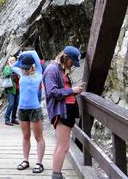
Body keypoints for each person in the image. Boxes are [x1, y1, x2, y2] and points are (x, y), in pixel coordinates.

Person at [43, 46, 83, 179]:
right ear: (66, 58)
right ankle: (56, 175)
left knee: (61, 145)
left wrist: (73, 90)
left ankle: (57, 173)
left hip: (66, 110)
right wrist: (72, 90)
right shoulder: (52, 70)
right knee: (64, 146)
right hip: (61, 112)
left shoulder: (60, 69)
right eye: (72, 62)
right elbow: (52, 92)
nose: (72, 66)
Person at [12, 50, 46, 174]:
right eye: (23, 68)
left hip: (34, 110)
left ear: (32, 66)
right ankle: (25, 160)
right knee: (26, 136)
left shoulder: (39, 74)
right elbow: (13, 66)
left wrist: (25, 53)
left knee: (38, 137)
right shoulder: (21, 74)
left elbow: (35, 54)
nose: (24, 70)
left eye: (27, 68)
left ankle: (39, 163)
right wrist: (20, 59)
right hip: (22, 110)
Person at [3, 56, 20, 126]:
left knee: (16, 104)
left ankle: (13, 118)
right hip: (11, 89)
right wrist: (11, 68)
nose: (13, 61)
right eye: (11, 60)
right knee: (11, 104)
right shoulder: (7, 67)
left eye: (14, 60)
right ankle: (7, 119)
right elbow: (6, 74)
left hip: (17, 88)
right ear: (9, 61)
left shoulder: (17, 68)